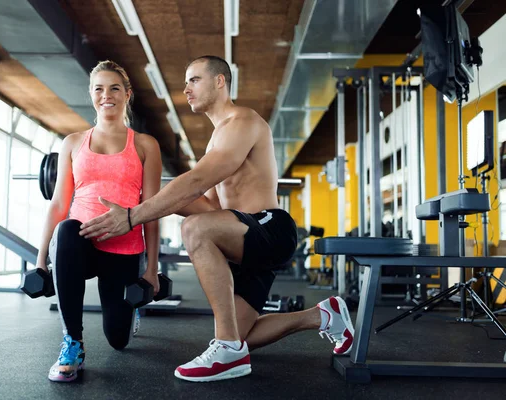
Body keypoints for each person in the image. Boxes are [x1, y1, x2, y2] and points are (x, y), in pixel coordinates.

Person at [78, 55, 354, 382]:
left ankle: (226, 349)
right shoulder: (215, 137)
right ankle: (323, 316)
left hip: (268, 228)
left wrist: (133, 215)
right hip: (242, 241)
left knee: (194, 231)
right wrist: (142, 196)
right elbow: (207, 206)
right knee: (244, 334)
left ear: (220, 81)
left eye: (194, 79)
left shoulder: (242, 122)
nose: (186, 89)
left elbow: (197, 183)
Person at [36, 60, 162, 382]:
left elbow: (151, 208)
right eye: (99, 89)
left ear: (127, 94)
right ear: (91, 94)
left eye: (115, 88)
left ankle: (127, 315)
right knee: (66, 231)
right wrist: (40, 261)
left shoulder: (146, 145)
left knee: (117, 341)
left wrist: (151, 269)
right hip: (80, 242)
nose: (107, 95)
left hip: (124, 247)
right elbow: (59, 204)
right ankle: (72, 343)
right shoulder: (73, 143)